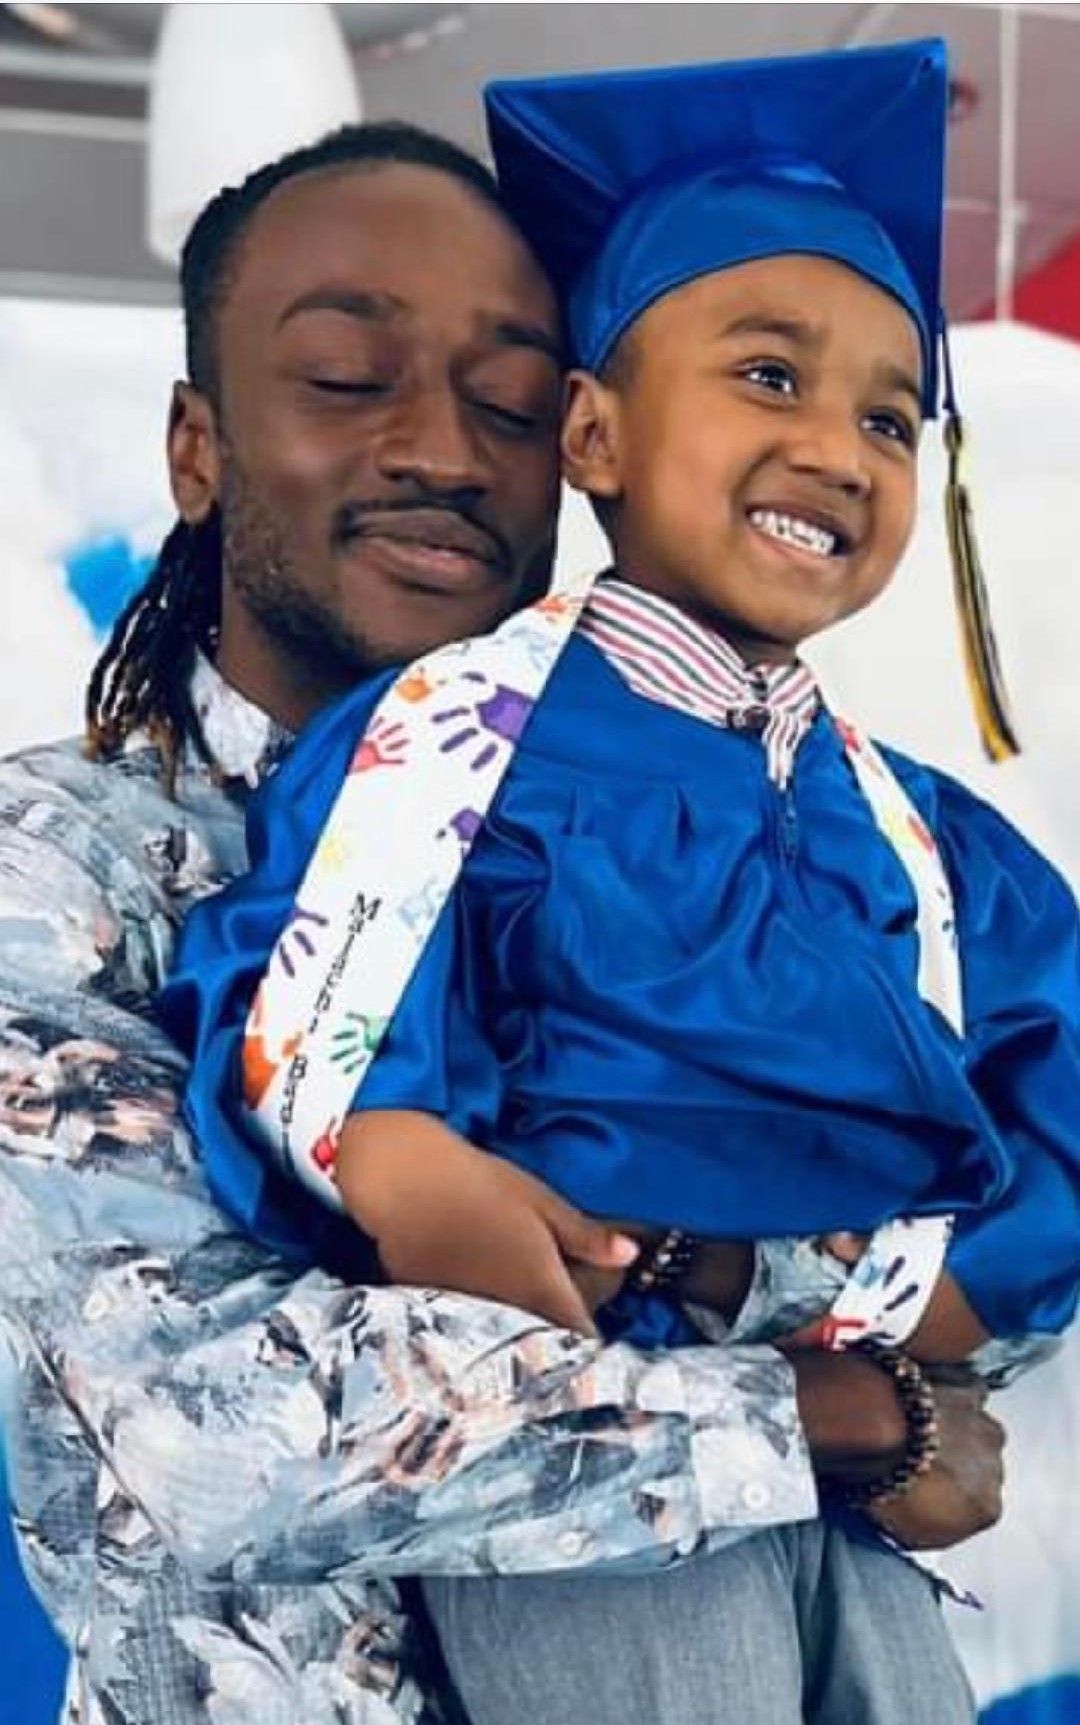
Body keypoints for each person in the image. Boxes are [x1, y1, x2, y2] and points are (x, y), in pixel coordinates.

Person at [0, 117, 1004, 1725]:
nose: (447, 454)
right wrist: (804, 1407)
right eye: (346, 376)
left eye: (512, 401)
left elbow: (948, 1337)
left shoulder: (745, 822)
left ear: (588, 440)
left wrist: (824, 1338)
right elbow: (210, 1427)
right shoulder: (56, 866)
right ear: (198, 447)